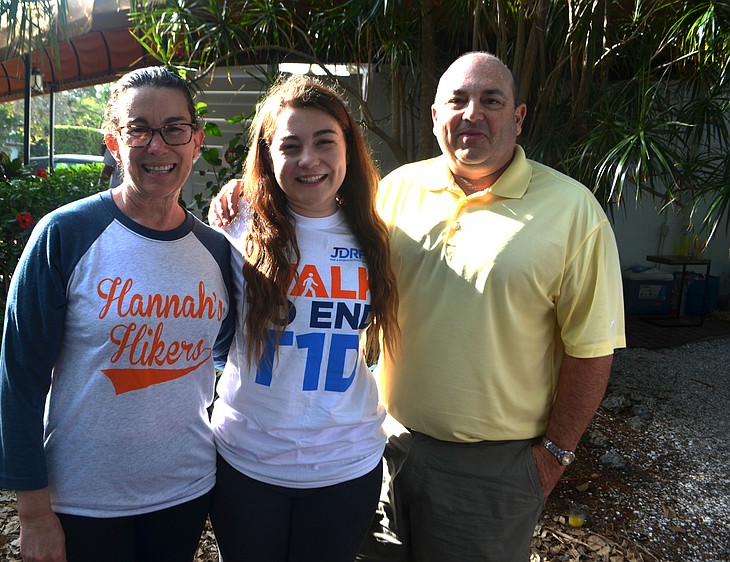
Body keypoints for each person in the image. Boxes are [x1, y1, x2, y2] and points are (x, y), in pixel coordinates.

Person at [210, 52, 626, 562]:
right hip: (387, 448)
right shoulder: (395, 193)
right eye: (457, 100)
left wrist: (555, 456)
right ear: (434, 116)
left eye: (491, 100)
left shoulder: (573, 211)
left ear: (519, 116)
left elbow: (592, 348)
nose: (472, 113)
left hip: (489, 468)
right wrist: (242, 193)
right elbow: (307, 210)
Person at [0, 66, 235, 562]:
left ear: (195, 140)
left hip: (186, 489)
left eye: (174, 129)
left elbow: (233, 355)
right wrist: (33, 514)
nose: (157, 145)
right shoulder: (65, 235)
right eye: (138, 129)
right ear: (113, 143)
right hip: (83, 498)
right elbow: (19, 381)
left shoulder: (216, 250)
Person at [208, 74, 400, 562]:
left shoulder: (379, 233)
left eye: (324, 141)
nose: (308, 159)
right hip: (246, 461)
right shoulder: (237, 224)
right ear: (268, 156)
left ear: (348, 147)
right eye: (290, 146)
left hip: (345, 464)